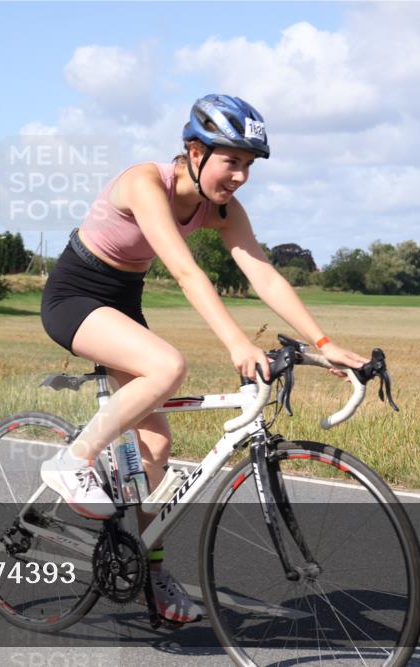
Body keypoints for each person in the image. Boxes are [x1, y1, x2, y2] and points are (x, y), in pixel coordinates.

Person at [38, 94, 370, 623]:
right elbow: (188, 273)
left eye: (248, 165)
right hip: (75, 296)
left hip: (122, 300)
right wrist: (237, 343)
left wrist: (324, 344)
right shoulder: (145, 183)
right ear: (194, 150)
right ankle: (71, 460)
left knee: (156, 448)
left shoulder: (222, 210)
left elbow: (263, 272)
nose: (239, 176)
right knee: (168, 367)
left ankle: (146, 567)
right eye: (230, 160)